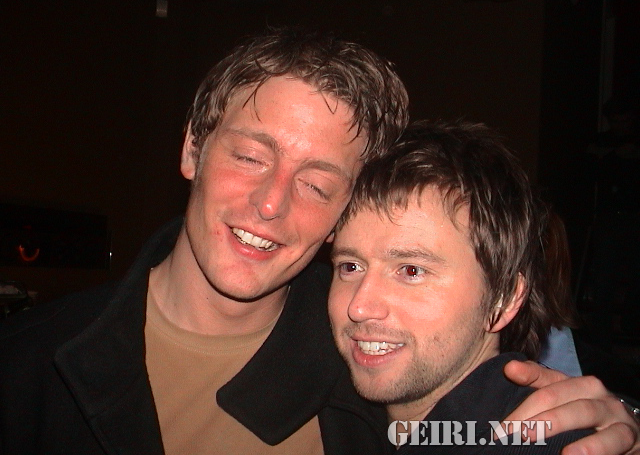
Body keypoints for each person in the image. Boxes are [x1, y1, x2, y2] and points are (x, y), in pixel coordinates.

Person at [0, 29, 637, 455]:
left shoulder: (372, 360)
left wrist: (621, 423)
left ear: (346, 214)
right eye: (250, 156)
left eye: (317, 183)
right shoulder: (27, 365)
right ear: (194, 146)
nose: (270, 203)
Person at [329, 120, 638, 453]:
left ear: (504, 298)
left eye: (411, 270)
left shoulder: (542, 442)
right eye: (350, 266)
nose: (359, 306)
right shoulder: (339, 413)